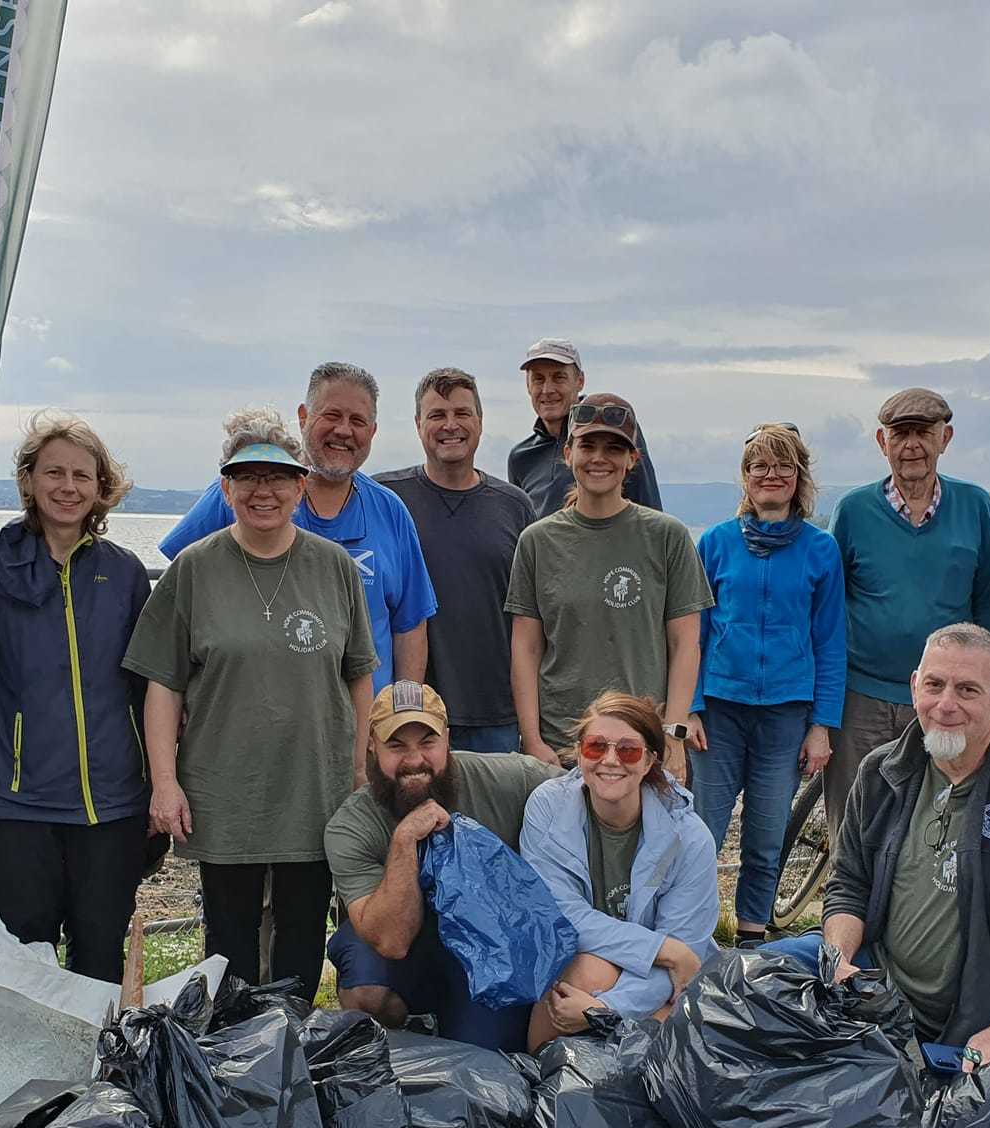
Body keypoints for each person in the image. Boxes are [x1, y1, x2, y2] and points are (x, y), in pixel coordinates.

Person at [764, 625, 990, 1063]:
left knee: (910, 1125)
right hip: (876, 979)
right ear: (914, 687)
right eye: (935, 685)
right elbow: (849, 884)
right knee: (747, 979)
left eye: (968, 690)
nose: (946, 705)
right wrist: (838, 961)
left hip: (978, 1022)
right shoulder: (879, 773)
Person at [126, 410, 377, 1003]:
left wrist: (359, 769)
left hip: (314, 789)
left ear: (300, 487)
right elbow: (162, 684)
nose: (263, 491)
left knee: (301, 941)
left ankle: (291, 1065)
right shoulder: (194, 568)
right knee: (227, 946)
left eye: (278, 477)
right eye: (247, 478)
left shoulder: (333, 566)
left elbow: (359, 674)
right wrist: (164, 782)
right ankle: (234, 1068)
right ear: (226, 489)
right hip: (224, 790)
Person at [0, 414, 154, 982]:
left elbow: (149, 692)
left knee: (99, 956)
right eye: (54, 472)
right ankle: (24, 1073)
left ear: (101, 486)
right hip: (18, 805)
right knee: (23, 965)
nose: (68, 487)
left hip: (111, 805)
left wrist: (157, 786)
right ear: (30, 481)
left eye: (82, 475)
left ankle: (100, 1072)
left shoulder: (126, 574)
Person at [156, 363, 435, 691]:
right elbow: (179, 584)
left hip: (365, 728)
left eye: (357, 421)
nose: (344, 431)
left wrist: (400, 716)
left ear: (373, 432)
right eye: (331, 415)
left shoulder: (390, 511)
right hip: (256, 717)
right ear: (303, 417)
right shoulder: (247, 496)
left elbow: (410, 624)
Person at [323, 681, 561, 1050]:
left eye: (427, 743)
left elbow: (583, 790)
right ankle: (403, 1043)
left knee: (485, 1059)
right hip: (408, 950)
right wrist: (403, 841)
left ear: (448, 740)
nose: (414, 760)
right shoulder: (351, 826)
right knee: (367, 991)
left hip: (487, 948)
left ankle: (460, 1023)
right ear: (371, 745)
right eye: (397, 745)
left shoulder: (507, 779)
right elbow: (391, 941)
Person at [689, 423, 846, 946]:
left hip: (785, 714)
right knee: (700, 832)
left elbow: (829, 640)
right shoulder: (715, 543)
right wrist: (689, 707)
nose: (771, 475)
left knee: (766, 833)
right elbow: (694, 633)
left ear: (799, 475)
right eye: (760, 465)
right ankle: (690, 933)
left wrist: (822, 724)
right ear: (746, 478)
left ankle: (752, 936)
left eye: (783, 465)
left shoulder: (820, 550)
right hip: (719, 710)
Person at [823, 388, 990, 837]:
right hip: (862, 696)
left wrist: (985, 691)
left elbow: (987, 602)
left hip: (947, 699)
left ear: (946, 438)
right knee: (853, 819)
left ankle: (921, 906)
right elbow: (826, 607)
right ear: (883, 443)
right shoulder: (853, 511)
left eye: (923, 433)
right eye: (900, 434)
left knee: (939, 818)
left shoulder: (975, 506)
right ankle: (847, 907)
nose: (911, 446)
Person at [504, 393, 712, 777]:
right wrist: (532, 739)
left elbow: (685, 644)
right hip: (563, 743)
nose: (599, 458)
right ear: (568, 453)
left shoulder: (668, 536)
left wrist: (673, 734)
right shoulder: (537, 542)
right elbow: (526, 646)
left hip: (641, 743)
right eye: (588, 445)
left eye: (614, 448)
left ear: (633, 460)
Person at [520, 692, 720, 1049]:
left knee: (664, 1011)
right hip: (582, 962)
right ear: (580, 753)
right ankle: (541, 1086)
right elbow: (560, 915)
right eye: (597, 747)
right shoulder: (546, 809)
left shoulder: (691, 838)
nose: (610, 761)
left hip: (654, 984)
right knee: (585, 972)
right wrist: (664, 949)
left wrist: (605, 1009)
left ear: (650, 762)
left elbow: (685, 961)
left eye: (628, 750)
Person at [376, 368, 539, 752]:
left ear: (480, 422)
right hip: (410, 716)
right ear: (418, 425)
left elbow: (531, 622)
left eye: (462, 413)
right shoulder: (386, 500)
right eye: (437, 415)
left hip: (496, 714)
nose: (451, 425)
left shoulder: (514, 507)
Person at [506, 338, 663, 517]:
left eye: (559, 378)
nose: (547, 389)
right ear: (528, 385)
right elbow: (520, 525)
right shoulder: (521, 457)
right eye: (538, 379)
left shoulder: (615, 428)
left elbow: (650, 513)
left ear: (580, 381)